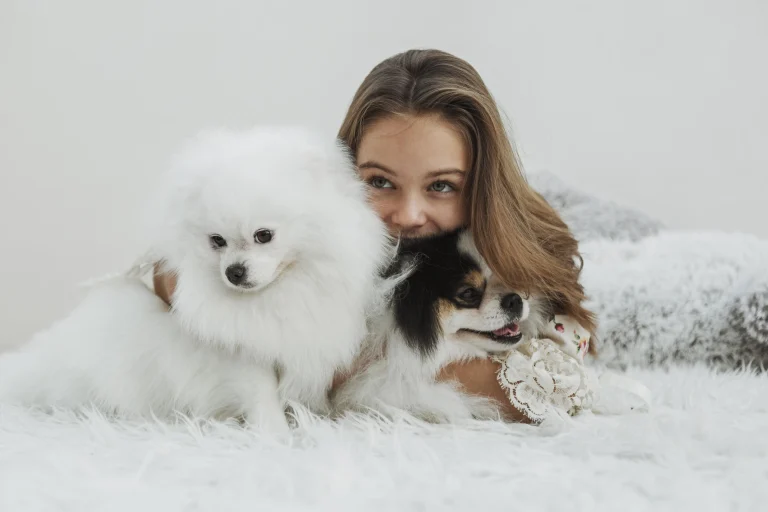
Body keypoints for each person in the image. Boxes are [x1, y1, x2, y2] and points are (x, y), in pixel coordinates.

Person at [153, 48, 597, 423]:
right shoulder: (308, 214)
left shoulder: (519, 247)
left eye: (441, 185)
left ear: (481, 182)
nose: (408, 214)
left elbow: (565, 379)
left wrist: (371, 366)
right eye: (380, 182)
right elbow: (160, 271)